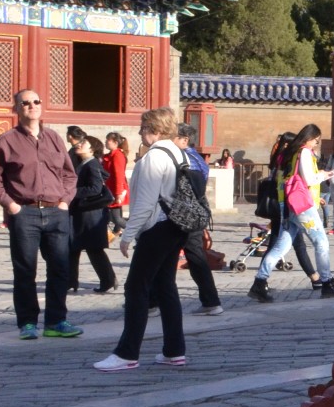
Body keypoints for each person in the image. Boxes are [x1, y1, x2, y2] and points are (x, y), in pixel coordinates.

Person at [93, 108, 196, 372]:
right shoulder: (179, 153)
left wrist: (127, 235)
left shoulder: (154, 157)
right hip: (177, 225)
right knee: (165, 286)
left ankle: (127, 353)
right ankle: (174, 349)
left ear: (155, 130)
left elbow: (145, 203)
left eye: (143, 128)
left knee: (136, 288)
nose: (140, 133)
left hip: (157, 227)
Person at [0, 88, 83, 341]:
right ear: (17, 109)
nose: (32, 106)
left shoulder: (54, 138)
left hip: (56, 211)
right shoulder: (6, 141)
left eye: (36, 101)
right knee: (25, 270)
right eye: (25, 103)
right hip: (25, 212)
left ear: (41, 105)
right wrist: (11, 205)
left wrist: (65, 201)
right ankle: (27, 323)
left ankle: (56, 321)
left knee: (60, 269)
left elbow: (69, 174)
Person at [249, 124, 334, 301]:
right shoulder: (305, 153)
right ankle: (327, 282)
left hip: (288, 205)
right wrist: (323, 175)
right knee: (321, 242)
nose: (316, 144)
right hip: (303, 206)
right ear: (309, 138)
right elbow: (309, 179)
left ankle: (259, 282)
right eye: (316, 140)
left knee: (281, 247)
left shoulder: (290, 153)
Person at [174, 123, 224, 315]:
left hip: (183, 212)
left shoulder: (184, 158)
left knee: (183, 255)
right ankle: (211, 301)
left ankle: (153, 302)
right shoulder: (197, 158)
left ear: (184, 140)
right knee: (195, 256)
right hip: (195, 211)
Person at [67, 134, 117, 296]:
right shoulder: (83, 163)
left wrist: (73, 192)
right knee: (73, 247)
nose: (79, 144)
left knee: (93, 249)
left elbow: (95, 189)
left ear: (92, 149)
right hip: (81, 213)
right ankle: (70, 281)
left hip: (90, 214)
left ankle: (108, 280)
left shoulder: (92, 164)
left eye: (84, 143)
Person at [102, 132, 130, 238]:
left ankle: (136, 232)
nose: (106, 142)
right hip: (111, 189)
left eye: (108, 140)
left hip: (115, 190)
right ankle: (117, 230)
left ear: (115, 142)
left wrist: (118, 193)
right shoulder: (111, 155)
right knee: (116, 216)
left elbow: (119, 175)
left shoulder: (118, 155)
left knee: (116, 218)